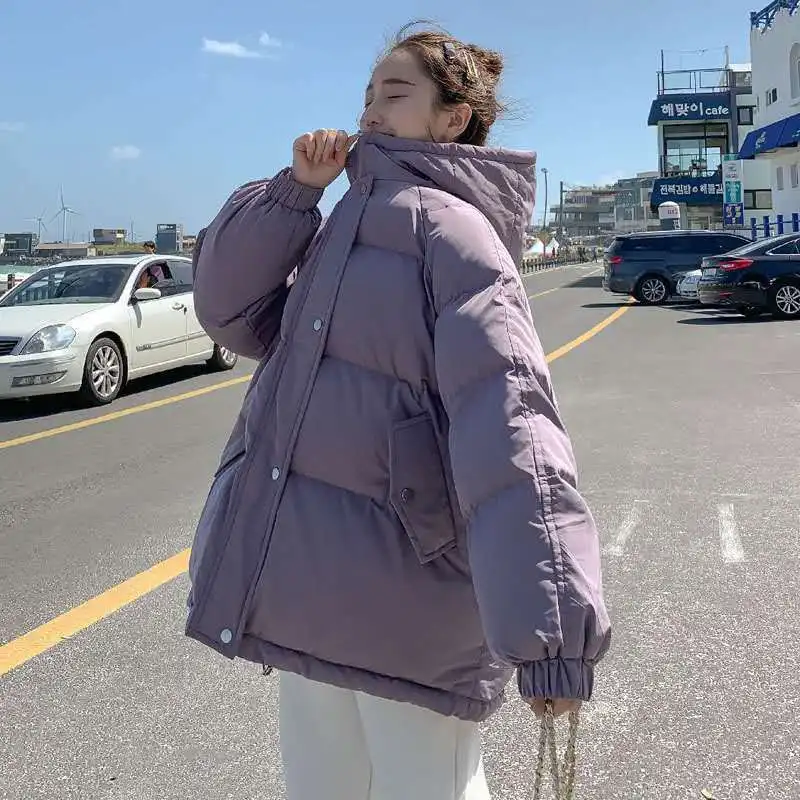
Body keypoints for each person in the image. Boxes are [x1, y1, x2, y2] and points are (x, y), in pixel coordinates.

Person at [186, 23, 610, 800]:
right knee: (324, 787)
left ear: (453, 119)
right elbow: (227, 313)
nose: (370, 111)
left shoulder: (454, 232)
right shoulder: (344, 220)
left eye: (395, 92)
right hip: (310, 583)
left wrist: (551, 633)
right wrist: (295, 194)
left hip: (412, 595)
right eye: (367, 95)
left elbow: (510, 422)